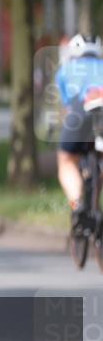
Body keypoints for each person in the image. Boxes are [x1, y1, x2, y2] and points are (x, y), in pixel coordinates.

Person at [54, 34, 103, 238]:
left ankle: (78, 205)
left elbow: (67, 107)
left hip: (80, 110)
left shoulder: (66, 70)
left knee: (66, 160)